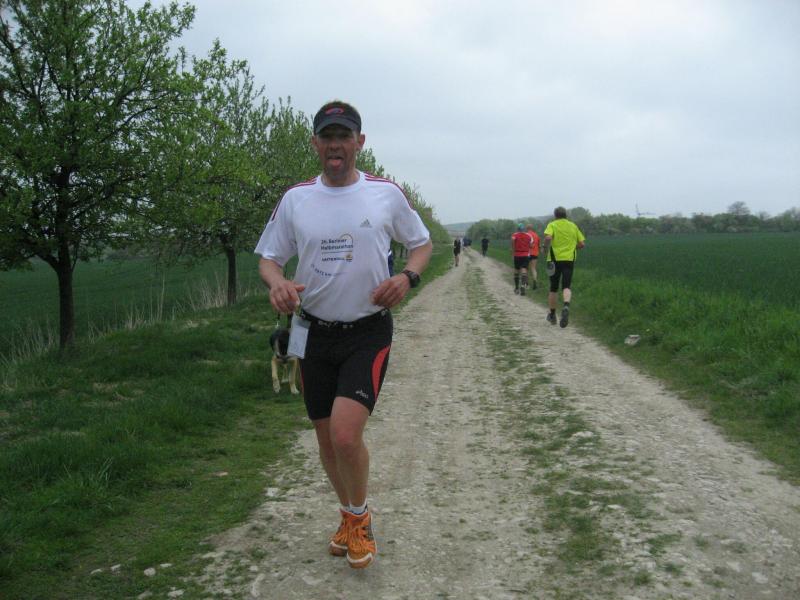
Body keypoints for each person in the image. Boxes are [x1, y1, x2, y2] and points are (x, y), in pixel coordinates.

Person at [255, 100, 433, 569]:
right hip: (312, 333)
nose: (336, 145)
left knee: (345, 435)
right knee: (326, 440)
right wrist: (277, 283)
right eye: (328, 137)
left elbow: (421, 244)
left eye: (344, 136)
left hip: (367, 332)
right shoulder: (296, 199)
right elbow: (269, 258)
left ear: (360, 142)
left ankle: (360, 519)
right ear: (316, 144)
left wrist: (408, 278)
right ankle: (350, 516)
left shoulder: (384, 194)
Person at [541, 206, 585, 327]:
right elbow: (582, 244)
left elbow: (548, 237)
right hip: (569, 260)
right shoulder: (573, 226)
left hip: (553, 260)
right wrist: (572, 248)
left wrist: (544, 247)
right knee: (566, 286)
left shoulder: (552, 224)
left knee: (553, 287)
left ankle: (552, 315)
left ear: (555, 215)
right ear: (566, 215)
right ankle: (566, 306)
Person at [511, 223, 533, 295]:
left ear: (518, 229)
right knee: (524, 270)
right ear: (524, 229)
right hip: (526, 255)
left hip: (517, 254)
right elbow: (531, 245)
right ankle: (523, 286)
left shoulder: (514, 235)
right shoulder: (529, 236)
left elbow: (512, 241)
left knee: (516, 270)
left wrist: (513, 250)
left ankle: (516, 288)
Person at [525, 224, 540, 290]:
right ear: (532, 228)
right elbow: (538, 245)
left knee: (526, 268)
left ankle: (526, 284)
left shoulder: (526, 235)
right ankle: (535, 281)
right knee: (533, 268)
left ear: (527, 228)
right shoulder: (536, 235)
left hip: (527, 253)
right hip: (535, 253)